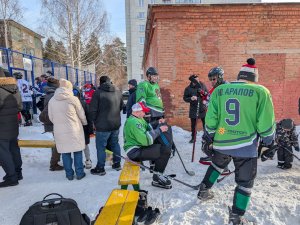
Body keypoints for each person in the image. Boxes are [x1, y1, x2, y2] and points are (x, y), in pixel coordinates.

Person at [197, 58, 275, 224]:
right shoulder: (261, 92)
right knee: (245, 182)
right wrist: (269, 141)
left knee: (217, 165)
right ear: (254, 77)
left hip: (222, 141)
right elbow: (265, 123)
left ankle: (203, 190)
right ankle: (236, 217)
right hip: (246, 145)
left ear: (240, 75)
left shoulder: (220, 90)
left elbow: (211, 118)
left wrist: (209, 136)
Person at [124, 102, 172, 189]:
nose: (145, 114)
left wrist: (157, 122)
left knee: (161, 145)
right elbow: (146, 140)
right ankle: (157, 178)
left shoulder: (137, 118)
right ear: (137, 112)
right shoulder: (134, 122)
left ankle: (156, 169)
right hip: (134, 151)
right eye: (143, 112)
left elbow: (146, 127)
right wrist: (159, 130)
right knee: (163, 150)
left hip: (138, 147)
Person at [48, 79, 87, 180]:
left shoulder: (52, 100)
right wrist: (84, 123)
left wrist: (58, 124)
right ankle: (79, 173)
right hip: (75, 129)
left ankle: (69, 175)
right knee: (77, 151)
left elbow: (51, 117)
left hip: (59, 131)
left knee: (65, 153)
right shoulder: (73, 99)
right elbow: (81, 115)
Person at [89, 75, 124, 175]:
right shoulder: (118, 92)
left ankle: (100, 167)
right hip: (115, 124)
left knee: (101, 147)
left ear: (100, 83)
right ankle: (117, 164)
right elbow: (121, 106)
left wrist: (95, 122)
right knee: (115, 143)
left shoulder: (98, 93)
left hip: (102, 126)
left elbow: (92, 110)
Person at [0, 68, 23, 188]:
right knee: (14, 148)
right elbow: (19, 106)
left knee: (3, 152)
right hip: (13, 124)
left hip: (2, 126)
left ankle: (11, 176)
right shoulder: (14, 88)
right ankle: (17, 172)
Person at [199, 66, 227, 164]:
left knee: (211, 141)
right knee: (207, 142)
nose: (212, 81)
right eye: (210, 79)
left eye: (214, 79)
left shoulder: (225, 88)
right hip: (214, 121)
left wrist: (206, 101)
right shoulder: (215, 89)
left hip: (222, 123)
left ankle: (221, 164)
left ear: (220, 77)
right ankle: (214, 157)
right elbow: (207, 100)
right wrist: (203, 96)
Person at [39, 77, 63, 171]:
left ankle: (54, 161)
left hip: (51, 122)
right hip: (55, 122)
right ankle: (54, 164)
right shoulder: (54, 95)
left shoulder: (48, 94)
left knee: (57, 142)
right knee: (59, 143)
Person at [183, 74, 208, 143]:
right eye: (196, 80)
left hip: (202, 108)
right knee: (193, 125)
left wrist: (203, 93)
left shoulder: (202, 85)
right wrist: (191, 98)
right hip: (193, 109)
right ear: (192, 81)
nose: (198, 81)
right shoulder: (188, 88)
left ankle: (206, 137)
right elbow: (185, 98)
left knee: (205, 124)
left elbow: (207, 94)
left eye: (198, 79)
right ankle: (193, 138)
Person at [73, 88, 93, 169]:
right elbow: (88, 117)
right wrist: (90, 129)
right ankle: (88, 161)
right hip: (83, 127)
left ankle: (79, 164)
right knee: (85, 145)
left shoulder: (68, 103)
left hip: (73, 128)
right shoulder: (83, 103)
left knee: (76, 146)